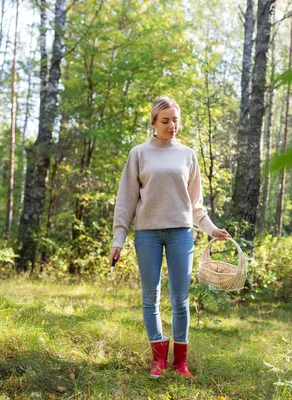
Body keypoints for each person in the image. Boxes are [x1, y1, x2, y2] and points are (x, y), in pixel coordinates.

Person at [108, 96, 231, 378]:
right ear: (153, 123)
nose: (172, 125)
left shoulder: (187, 154)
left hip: (181, 233)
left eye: (175, 120)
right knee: (150, 297)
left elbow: (196, 205)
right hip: (147, 234)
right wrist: (118, 239)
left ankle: (180, 363)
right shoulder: (139, 153)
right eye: (165, 121)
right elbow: (126, 201)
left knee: (180, 299)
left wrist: (212, 229)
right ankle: (158, 360)